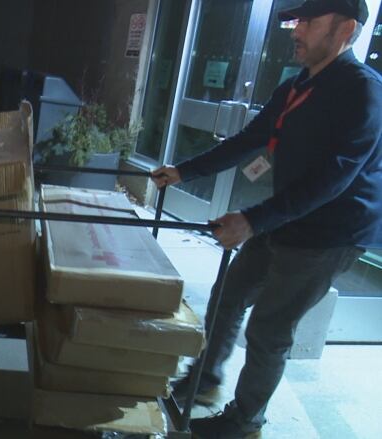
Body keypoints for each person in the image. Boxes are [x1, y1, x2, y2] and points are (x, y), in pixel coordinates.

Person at [151, 0, 381, 437]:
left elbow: (337, 176)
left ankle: (245, 422)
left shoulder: (363, 91)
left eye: (309, 22)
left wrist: (254, 220)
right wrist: (185, 171)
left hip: (331, 233)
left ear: (346, 29)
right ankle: (206, 380)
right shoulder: (297, 87)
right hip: (287, 218)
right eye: (297, 20)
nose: (296, 30)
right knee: (229, 294)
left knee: (270, 328)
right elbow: (250, 139)